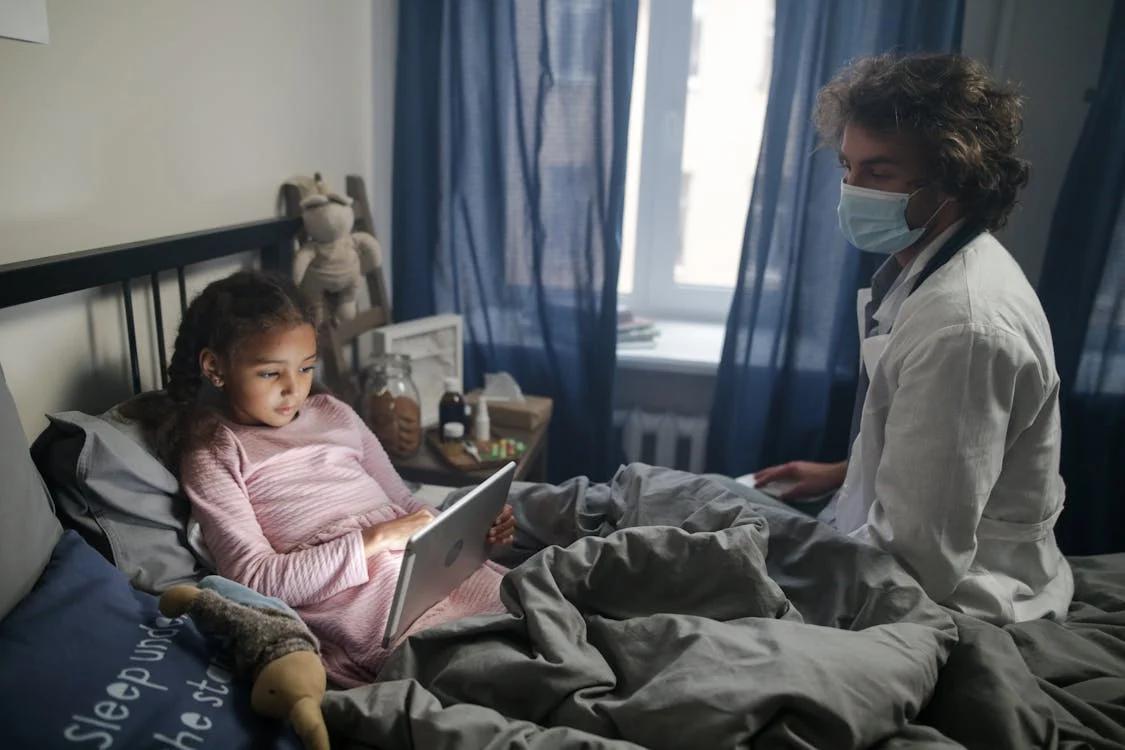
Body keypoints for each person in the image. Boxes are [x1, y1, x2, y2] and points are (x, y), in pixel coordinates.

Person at [753, 54, 1073, 624]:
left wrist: (772, 580)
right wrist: (841, 476)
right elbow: (946, 462)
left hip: (951, 597)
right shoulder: (934, 274)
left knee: (688, 536)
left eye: (879, 173)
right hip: (886, 556)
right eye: (847, 167)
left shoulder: (964, 329)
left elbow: (916, 559)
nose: (851, 190)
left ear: (953, 180)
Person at [148, 270, 515, 686]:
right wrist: (374, 539)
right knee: (497, 670)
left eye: (306, 368)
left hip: (432, 573)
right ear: (215, 367)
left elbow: (408, 504)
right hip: (371, 605)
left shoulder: (335, 413)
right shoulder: (215, 449)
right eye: (271, 374)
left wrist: (468, 531)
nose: (294, 390)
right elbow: (253, 580)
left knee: (539, 613)